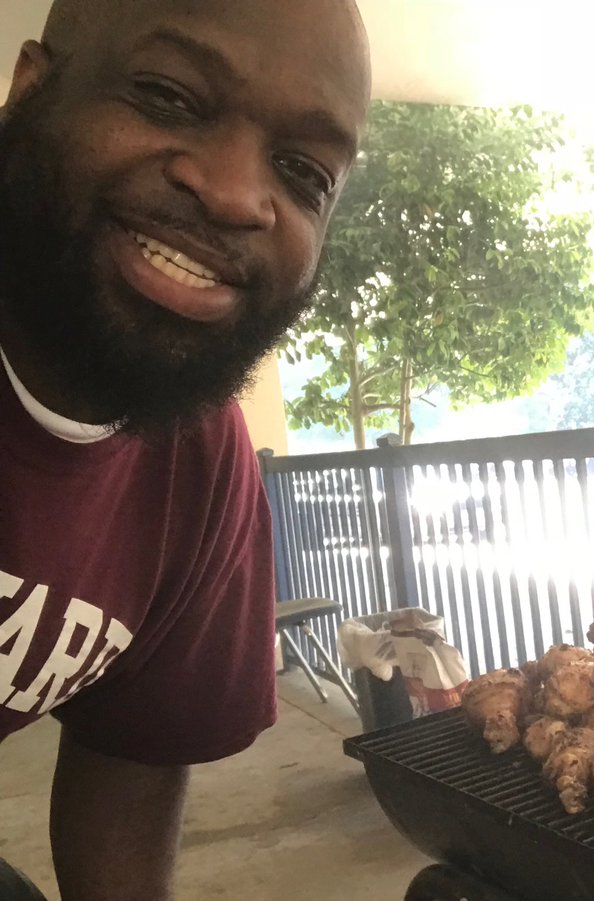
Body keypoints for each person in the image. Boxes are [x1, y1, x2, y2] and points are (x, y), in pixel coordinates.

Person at [0, 0, 371, 897]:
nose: (239, 195)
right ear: (29, 92)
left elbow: (131, 755)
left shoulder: (200, 465)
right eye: (169, 96)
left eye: (302, 172)